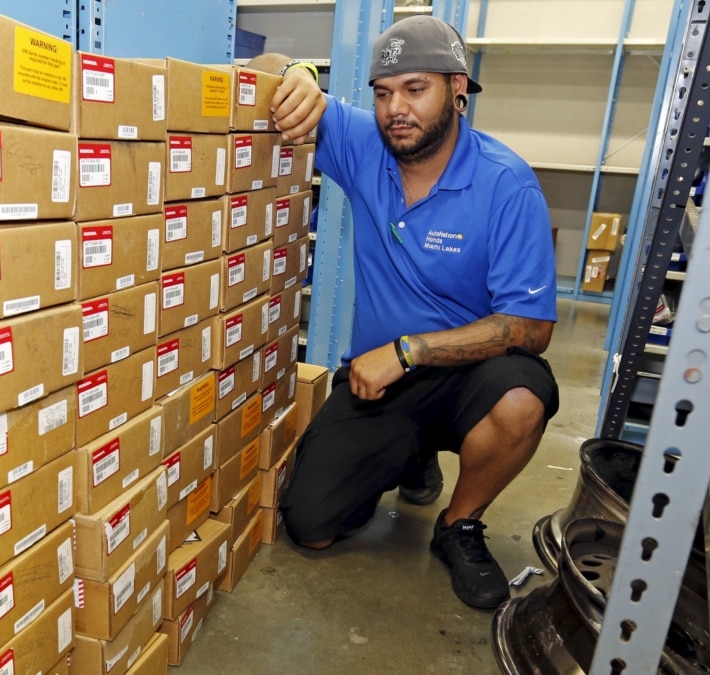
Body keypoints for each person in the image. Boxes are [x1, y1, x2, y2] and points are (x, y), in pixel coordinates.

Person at [247, 16, 560, 610]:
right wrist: (296, 74)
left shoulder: (506, 185)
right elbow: (259, 71)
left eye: (416, 89)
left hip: (467, 375)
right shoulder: (363, 144)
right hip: (379, 381)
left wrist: (408, 351)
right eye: (384, 93)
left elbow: (532, 327)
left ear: (457, 88)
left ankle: (459, 524)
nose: (396, 109)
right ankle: (412, 455)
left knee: (522, 399)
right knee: (311, 526)